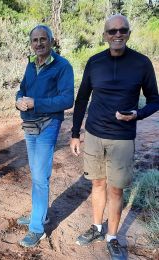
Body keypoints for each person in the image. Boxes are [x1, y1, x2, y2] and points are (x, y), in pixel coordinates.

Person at [70, 14, 159, 260]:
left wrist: (138, 115)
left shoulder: (141, 63)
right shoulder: (95, 62)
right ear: (105, 36)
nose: (117, 35)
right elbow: (81, 100)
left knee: (116, 190)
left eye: (122, 30)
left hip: (122, 139)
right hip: (95, 135)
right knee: (97, 184)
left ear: (128, 34)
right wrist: (75, 133)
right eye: (112, 31)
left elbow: (155, 100)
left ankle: (112, 237)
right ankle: (97, 227)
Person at [15, 25, 74, 247]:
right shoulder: (31, 64)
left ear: (51, 41)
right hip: (30, 124)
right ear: (31, 43)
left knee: (40, 177)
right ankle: (40, 215)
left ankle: (37, 228)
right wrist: (18, 99)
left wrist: (36, 103)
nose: (39, 44)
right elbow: (22, 89)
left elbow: (67, 100)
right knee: (36, 174)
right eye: (35, 40)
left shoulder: (62, 66)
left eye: (43, 39)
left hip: (49, 125)